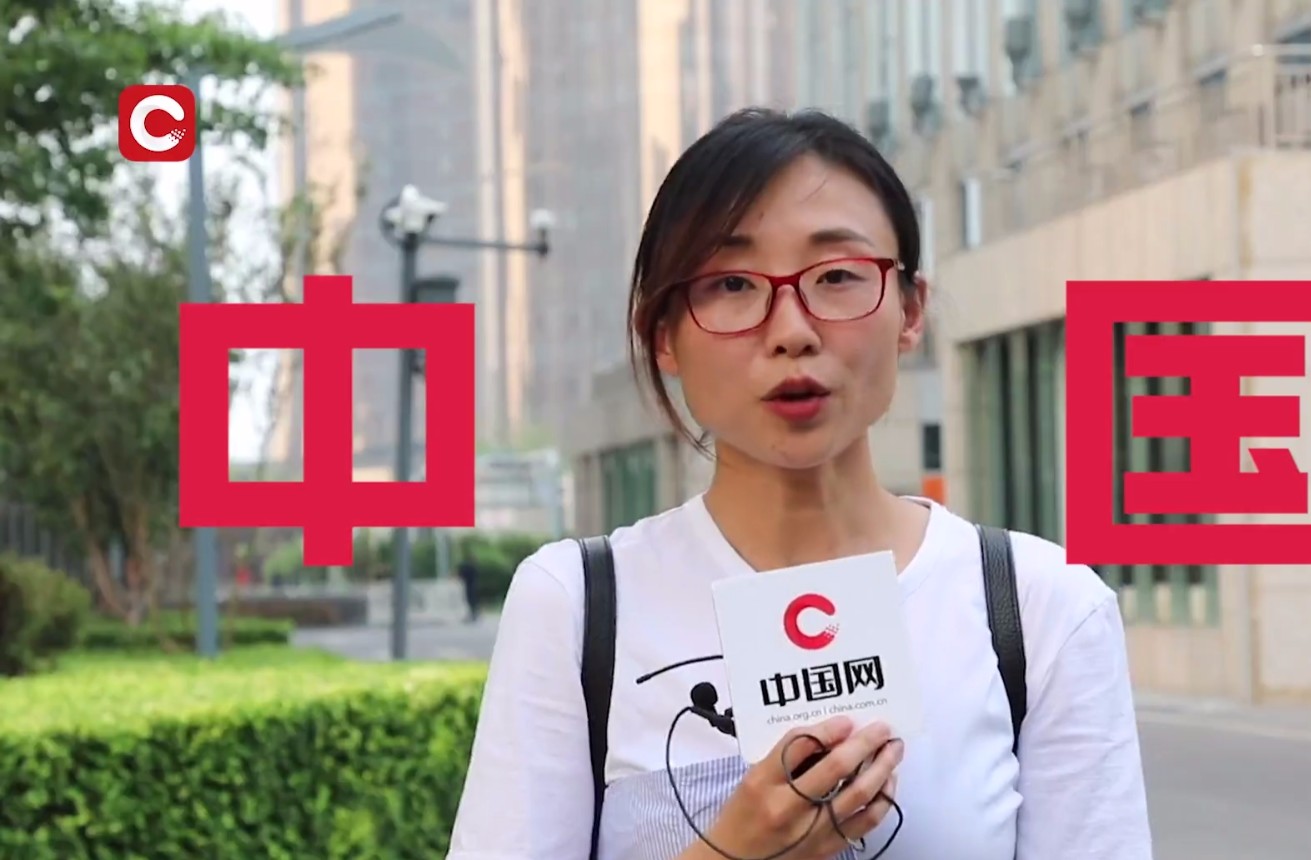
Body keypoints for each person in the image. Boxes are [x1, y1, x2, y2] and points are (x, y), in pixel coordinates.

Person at [447, 108, 1152, 860]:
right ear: (664, 335)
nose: (791, 331)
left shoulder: (1042, 609)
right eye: (731, 283)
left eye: (838, 276)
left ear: (910, 310)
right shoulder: (576, 604)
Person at [458, 545, 481, 623]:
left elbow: (462, 574)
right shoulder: (474, 567)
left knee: (471, 600)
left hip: (470, 585)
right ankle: (474, 614)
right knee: (472, 600)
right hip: (473, 585)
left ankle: (473, 614)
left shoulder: (469, 567)